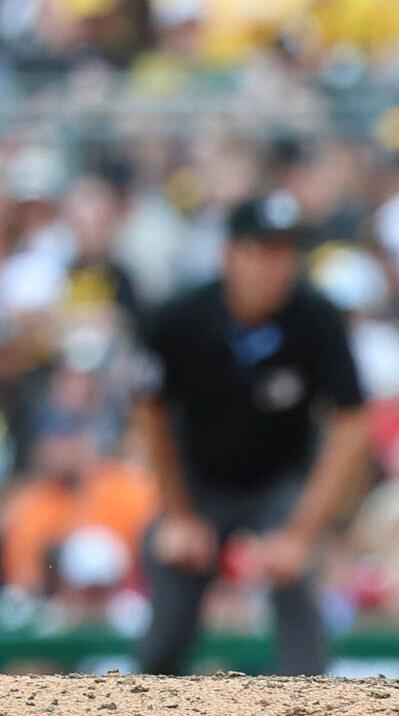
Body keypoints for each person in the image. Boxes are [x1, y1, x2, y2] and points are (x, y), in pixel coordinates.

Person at [133, 194, 373, 675]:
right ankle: (146, 704)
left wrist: (302, 534)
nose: (277, 267)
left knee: (298, 590)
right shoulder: (180, 318)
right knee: (167, 621)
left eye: (286, 252)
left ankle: (307, 708)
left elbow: (352, 424)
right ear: (229, 255)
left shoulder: (317, 319)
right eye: (263, 251)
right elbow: (150, 410)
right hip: (200, 483)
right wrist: (177, 514)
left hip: (281, 480)